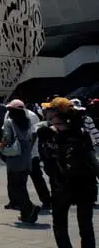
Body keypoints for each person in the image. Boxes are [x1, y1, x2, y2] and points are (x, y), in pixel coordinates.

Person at [39, 106, 98, 248]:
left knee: (83, 224)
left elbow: (92, 159)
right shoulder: (49, 134)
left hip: (76, 184)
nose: (55, 126)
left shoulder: (75, 135)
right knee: (65, 223)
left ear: (68, 122)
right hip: (68, 185)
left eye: (58, 124)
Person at [0, 99, 40, 224]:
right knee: (21, 185)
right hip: (26, 157)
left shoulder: (9, 122)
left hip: (15, 158)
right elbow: (33, 135)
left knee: (15, 187)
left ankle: (29, 208)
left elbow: (6, 138)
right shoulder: (27, 121)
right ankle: (26, 213)